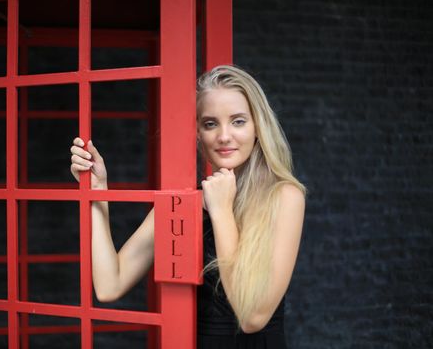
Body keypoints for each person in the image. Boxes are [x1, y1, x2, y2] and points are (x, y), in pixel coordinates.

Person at [70, 65, 306, 348]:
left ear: (258, 127)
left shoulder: (285, 196)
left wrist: (220, 211)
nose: (223, 136)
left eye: (238, 121)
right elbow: (110, 285)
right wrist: (98, 191)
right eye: (210, 124)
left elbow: (252, 316)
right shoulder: (185, 202)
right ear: (198, 134)